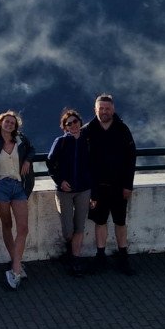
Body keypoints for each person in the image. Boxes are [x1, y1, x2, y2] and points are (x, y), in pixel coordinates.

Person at [84, 93, 137, 275]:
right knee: (100, 221)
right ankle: (101, 257)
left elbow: (131, 158)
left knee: (120, 221)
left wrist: (128, 185)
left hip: (119, 185)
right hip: (97, 188)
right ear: (95, 109)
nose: (104, 111)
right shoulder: (87, 130)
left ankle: (123, 257)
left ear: (113, 109)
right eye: (101, 108)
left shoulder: (122, 129)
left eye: (107, 108)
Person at [0, 110, 35, 289]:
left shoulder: (21, 140)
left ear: (15, 126)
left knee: (23, 228)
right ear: (0, 123)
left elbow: (32, 149)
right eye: (6, 122)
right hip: (0, 187)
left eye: (12, 123)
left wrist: (28, 160)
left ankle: (15, 267)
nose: (9, 124)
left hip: (18, 186)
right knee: (7, 225)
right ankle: (17, 265)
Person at [46, 107, 92, 276]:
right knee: (68, 229)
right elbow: (50, 163)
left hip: (84, 189)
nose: (73, 125)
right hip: (64, 191)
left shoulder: (87, 140)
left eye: (75, 122)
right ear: (64, 127)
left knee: (80, 226)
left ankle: (75, 259)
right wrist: (60, 181)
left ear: (80, 123)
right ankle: (71, 254)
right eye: (69, 123)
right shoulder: (61, 142)